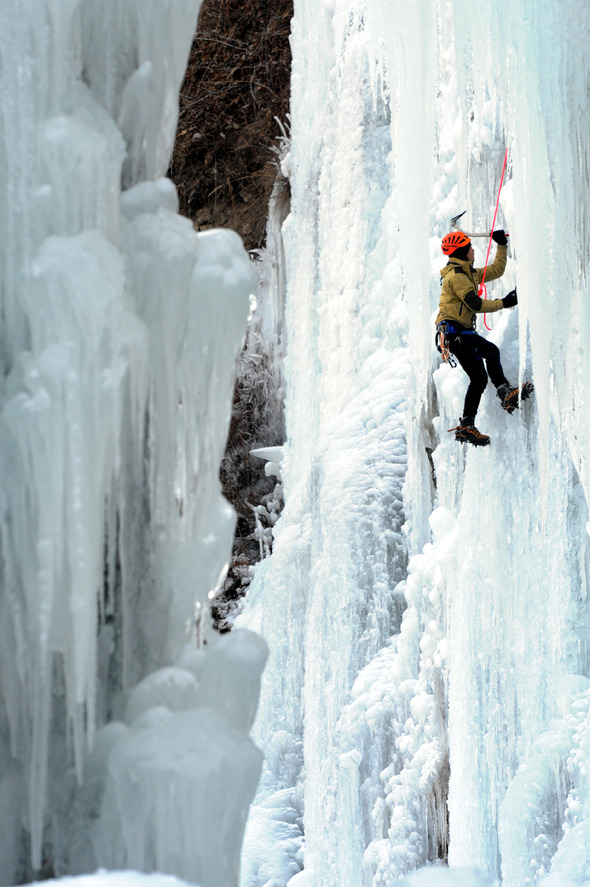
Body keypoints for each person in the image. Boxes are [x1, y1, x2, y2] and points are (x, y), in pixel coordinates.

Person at [435, 229, 533, 447]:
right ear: (461, 252)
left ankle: (466, 425)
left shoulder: (468, 273)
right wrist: (505, 303)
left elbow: (496, 271)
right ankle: (505, 391)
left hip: (457, 335)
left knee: (478, 379)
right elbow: (475, 304)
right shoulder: (457, 278)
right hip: (456, 332)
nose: (473, 250)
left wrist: (501, 245)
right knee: (491, 351)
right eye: (469, 248)